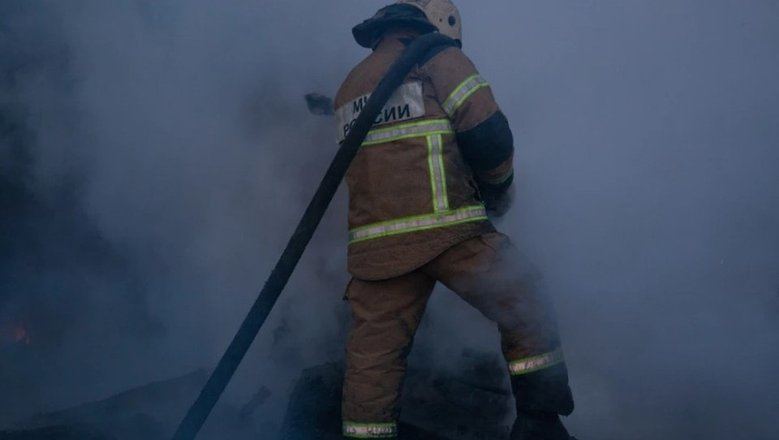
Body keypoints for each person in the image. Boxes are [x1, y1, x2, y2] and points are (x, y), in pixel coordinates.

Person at [334, 1, 576, 438]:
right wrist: (499, 191)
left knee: (372, 364)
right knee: (525, 299)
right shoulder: (440, 58)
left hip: (377, 251)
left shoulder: (350, 83)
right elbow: (488, 133)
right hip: (449, 232)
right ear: (437, 25)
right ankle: (540, 425)